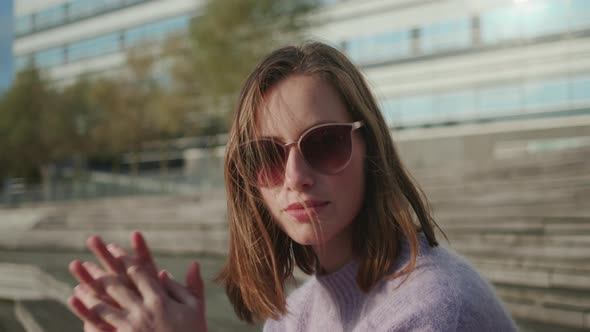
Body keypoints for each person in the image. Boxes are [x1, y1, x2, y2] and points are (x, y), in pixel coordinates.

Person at [67, 42, 518, 331]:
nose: (294, 175)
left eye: (324, 143)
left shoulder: (435, 307)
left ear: (370, 148)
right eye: (266, 155)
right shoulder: (292, 317)